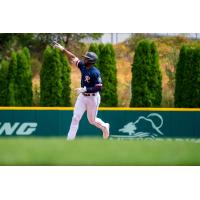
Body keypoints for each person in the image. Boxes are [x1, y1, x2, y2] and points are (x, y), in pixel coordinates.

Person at [53, 41, 110, 140]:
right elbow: (73, 57)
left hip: (93, 98)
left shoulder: (95, 72)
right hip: (82, 97)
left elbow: (99, 87)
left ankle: (105, 126)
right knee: (75, 118)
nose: (84, 58)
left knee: (92, 121)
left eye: (87, 58)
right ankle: (69, 141)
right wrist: (62, 49)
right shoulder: (83, 66)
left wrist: (85, 89)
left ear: (91, 61)